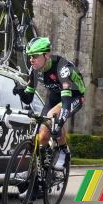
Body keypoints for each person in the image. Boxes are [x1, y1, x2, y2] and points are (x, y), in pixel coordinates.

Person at [13, 37, 85, 171]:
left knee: (53, 117)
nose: (31, 60)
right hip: (55, 95)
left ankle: (64, 151)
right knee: (42, 135)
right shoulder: (34, 69)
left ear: (46, 55)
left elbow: (66, 101)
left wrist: (60, 121)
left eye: (35, 56)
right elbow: (29, 98)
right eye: (30, 56)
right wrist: (21, 92)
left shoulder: (62, 69)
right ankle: (40, 172)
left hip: (74, 96)